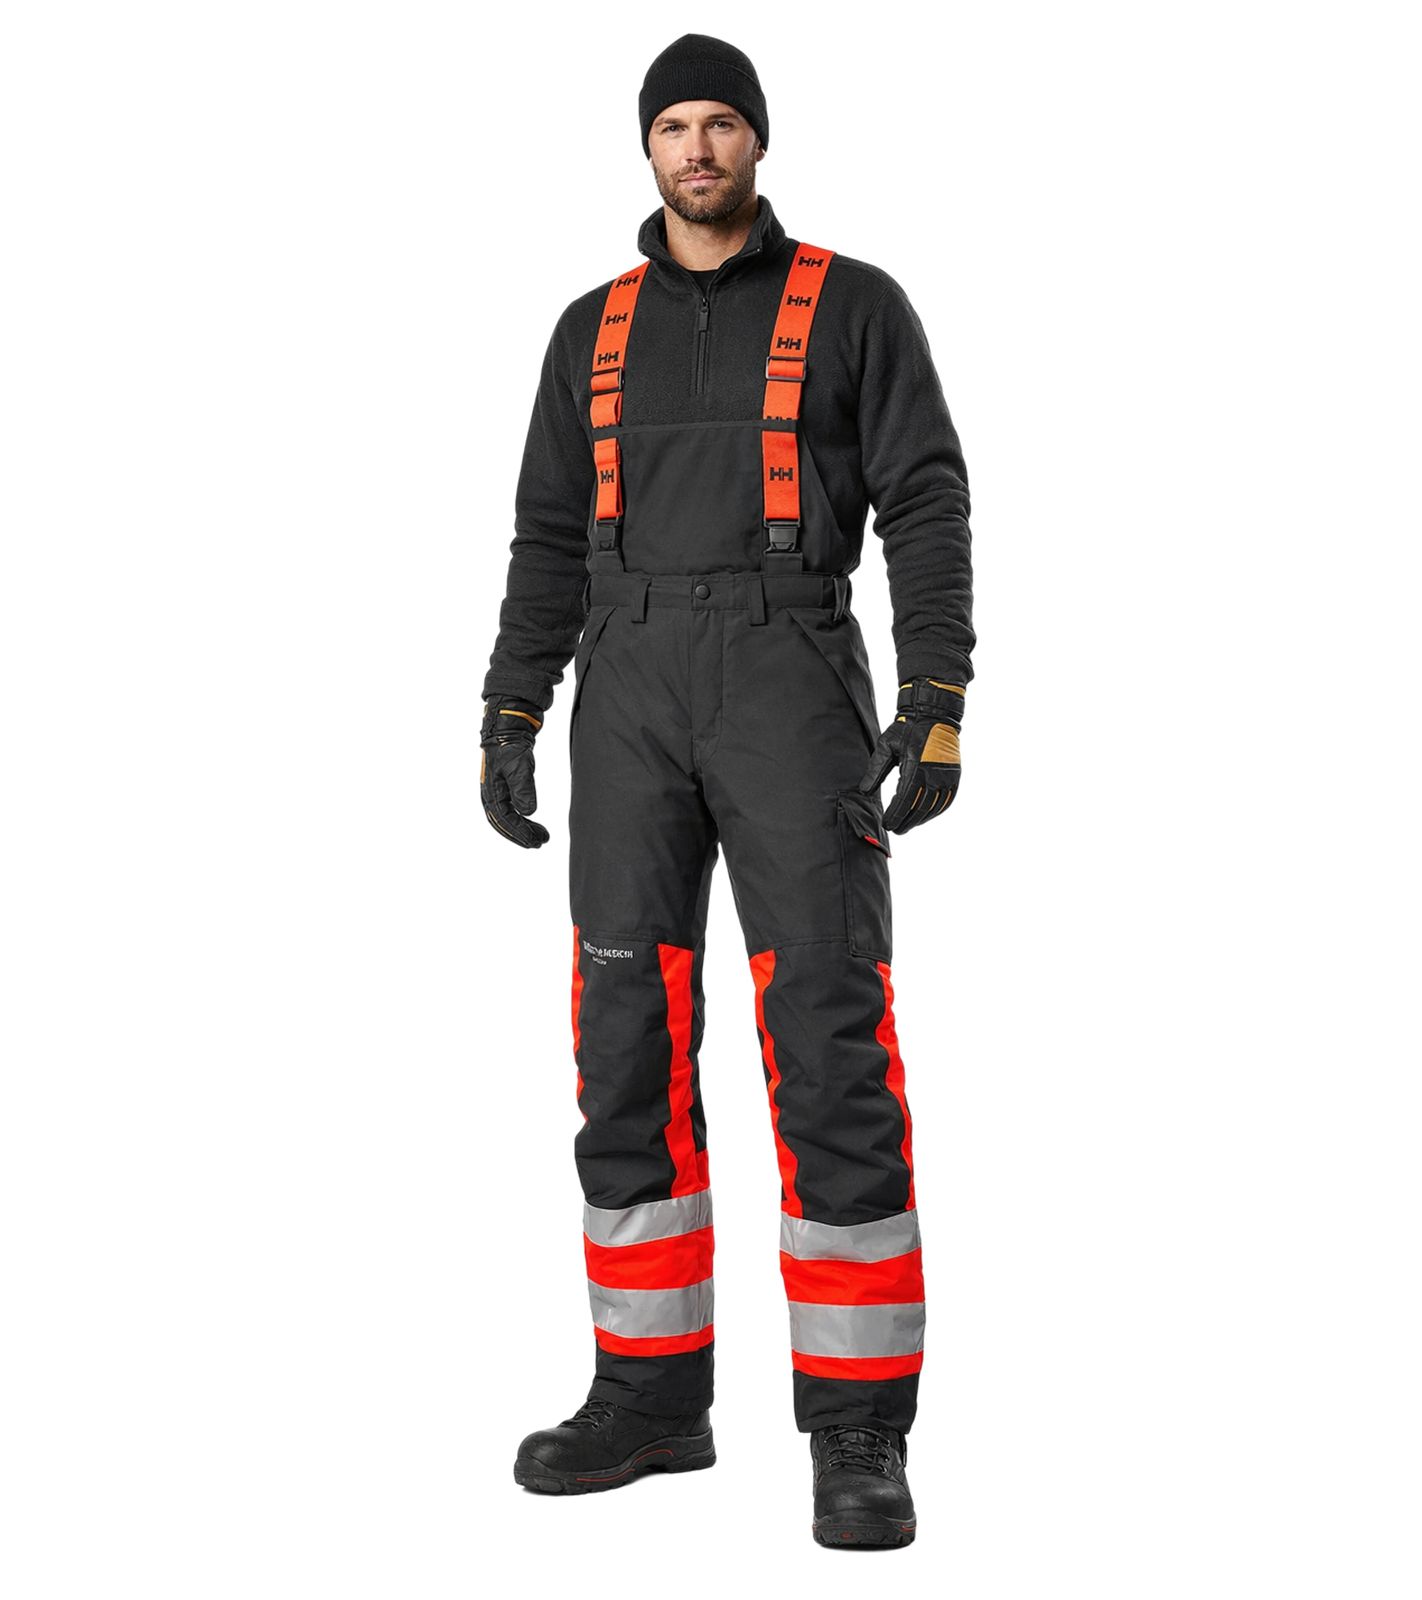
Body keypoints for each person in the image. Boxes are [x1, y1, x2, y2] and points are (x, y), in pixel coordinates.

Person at [480, 33, 975, 1549]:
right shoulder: (588, 331)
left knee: (825, 1033)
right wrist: (512, 704)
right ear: (647, 149)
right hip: (625, 692)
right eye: (673, 127)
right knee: (622, 1036)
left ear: (757, 141)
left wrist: (936, 696)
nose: (696, 149)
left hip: (790, 679)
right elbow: (546, 533)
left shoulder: (855, 305)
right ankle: (648, 1393)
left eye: (720, 124)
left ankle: (857, 1427)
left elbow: (925, 498)